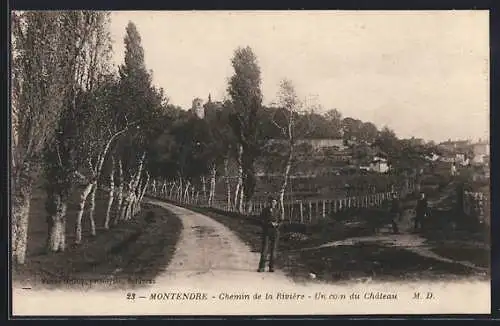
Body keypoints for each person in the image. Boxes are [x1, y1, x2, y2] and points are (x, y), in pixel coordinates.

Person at [258, 195, 283, 273]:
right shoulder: (265, 211)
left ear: (276, 203)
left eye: (274, 202)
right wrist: (269, 223)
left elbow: (281, 221)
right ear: (269, 203)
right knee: (264, 250)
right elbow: (261, 221)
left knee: (273, 251)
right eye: (272, 202)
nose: (273, 203)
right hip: (266, 232)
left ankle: (271, 267)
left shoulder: (278, 211)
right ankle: (262, 267)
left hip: (275, 232)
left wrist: (277, 224)